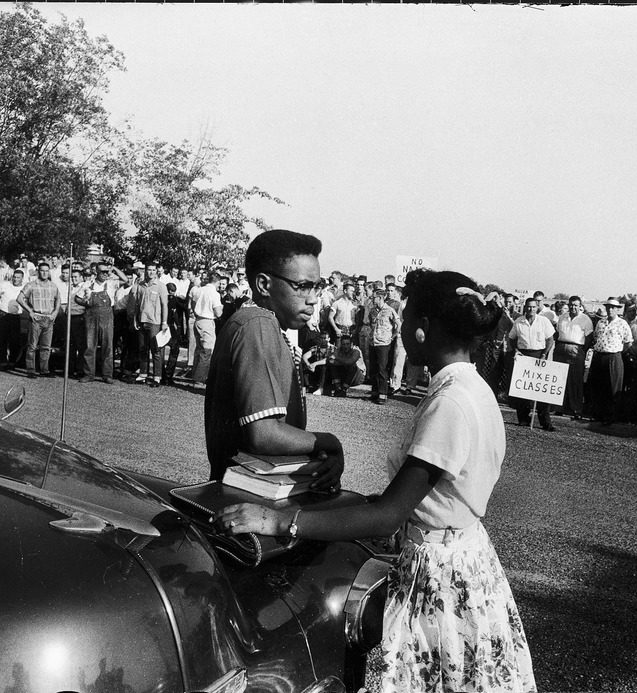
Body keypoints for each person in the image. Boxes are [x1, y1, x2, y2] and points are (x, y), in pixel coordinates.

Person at [217, 268, 537, 693]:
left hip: (440, 573)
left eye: (405, 318)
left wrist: (279, 522)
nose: (400, 328)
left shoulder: (450, 403)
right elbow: (434, 492)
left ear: (421, 330)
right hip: (463, 556)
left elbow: (388, 516)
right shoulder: (472, 388)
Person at [203, 229, 345, 488]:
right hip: (246, 497)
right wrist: (328, 442)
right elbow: (264, 434)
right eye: (302, 286)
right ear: (264, 285)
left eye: (316, 287)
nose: (312, 299)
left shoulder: (259, 323)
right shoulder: (257, 323)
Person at [508, 296, 556, 429]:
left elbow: (550, 340)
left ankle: (545, 422)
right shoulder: (519, 321)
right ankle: (523, 419)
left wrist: (544, 354)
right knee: (522, 388)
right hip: (523, 355)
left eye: (534, 307)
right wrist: (516, 350)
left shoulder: (543, 321)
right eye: (529, 306)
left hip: (539, 354)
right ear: (525, 307)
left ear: (537, 308)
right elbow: (511, 338)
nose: (531, 309)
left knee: (541, 389)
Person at [77, 262, 127, 384]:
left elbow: (125, 279)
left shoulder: (111, 284)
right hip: (91, 317)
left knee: (107, 346)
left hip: (107, 317)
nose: (106, 274)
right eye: (103, 272)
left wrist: (113, 267)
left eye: (107, 272)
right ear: (96, 272)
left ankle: (107, 375)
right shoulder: (87, 284)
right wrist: (85, 303)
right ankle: (89, 374)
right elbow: (76, 298)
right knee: (90, 346)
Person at [589, 297, 632, 425]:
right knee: (598, 385)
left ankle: (611, 416)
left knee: (613, 387)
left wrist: (617, 352)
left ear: (617, 309)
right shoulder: (601, 322)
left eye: (613, 307)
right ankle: (598, 414)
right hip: (599, 356)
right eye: (608, 307)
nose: (610, 310)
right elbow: (596, 337)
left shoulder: (622, 323)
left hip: (613, 357)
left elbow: (628, 342)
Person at [16, 261, 60, 378]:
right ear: (38, 271)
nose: (44, 273)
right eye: (42, 270)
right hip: (36, 318)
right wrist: (30, 311)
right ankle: (31, 370)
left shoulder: (53, 286)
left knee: (46, 346)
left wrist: (55, 313)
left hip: (49, 319)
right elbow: (20, 298)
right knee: (32, 346)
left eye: (46, 271)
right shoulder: (31, 285)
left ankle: (44, 370)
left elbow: (58, 300)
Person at [554, 295, 594, 419]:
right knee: (560, 379)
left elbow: (589, 338)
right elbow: (557, 334)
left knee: (575, 380)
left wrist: (581, 351)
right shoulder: (562, 317)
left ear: (580, 306)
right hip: (561, 348)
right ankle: (558, 408)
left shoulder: (585, 319)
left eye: (576, 305)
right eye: (571, 305)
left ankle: (576, 409)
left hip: (577, 349)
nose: (573, 307)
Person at [130, 264, 168, 387]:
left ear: (157, 272)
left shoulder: (161, 286)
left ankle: (157, 377)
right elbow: (137, 304)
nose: (151, 272)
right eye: (149, 270)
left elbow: (164, 306)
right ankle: (143, 374)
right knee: (142, 349)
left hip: (155, 322)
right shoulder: (141, 285)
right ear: (145, 271)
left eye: (153, 270)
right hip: (142, 320)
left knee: (156, 350)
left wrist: (164, 322)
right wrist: (135, 319)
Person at [189, 270, 225, 388]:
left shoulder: (199, 290)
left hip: (198, 320)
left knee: (199, 349)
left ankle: (195, 375)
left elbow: (193, 304)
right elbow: (218, 313)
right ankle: (200, 380)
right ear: (217, 282)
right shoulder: (214, 294)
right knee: (207, 351)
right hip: (208, 321)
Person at [366, 288, 401, 404]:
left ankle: (382, 394)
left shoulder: (389, 310)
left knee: (382, 369)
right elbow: (371, 323)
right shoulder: (372, 311)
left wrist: (393, 336)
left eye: (374, 297)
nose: (372, 299)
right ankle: (375, 391)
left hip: (383, 343)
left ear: (380, 298)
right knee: (373, 368)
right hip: (373, 342)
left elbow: (398, 324)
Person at [0, 268, 28, 370]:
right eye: (14, 277)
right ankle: (2, 362)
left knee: (15, 341)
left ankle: (12, 363)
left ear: (22, 278)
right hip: (3, 315)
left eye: (18, 278)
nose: (16, 279)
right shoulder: (5, 285)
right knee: (2, 339)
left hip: (15, 317)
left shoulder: (25, 288)